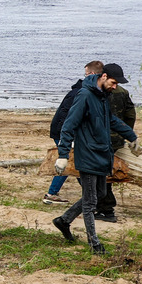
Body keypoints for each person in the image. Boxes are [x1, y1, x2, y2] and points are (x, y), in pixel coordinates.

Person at [52, 63, 138, 255]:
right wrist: (63, 156)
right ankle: (95, 244)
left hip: (102, 154)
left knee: (100, 195)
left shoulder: (103, 96)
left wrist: (131, 136)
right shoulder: (85, 96)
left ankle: (64, 220)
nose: (115, 87)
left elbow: (111, 120)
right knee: (91, 202)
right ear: (104, 76)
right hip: (88, 155)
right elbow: (68, 126)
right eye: (114, 82)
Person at [43, 61, 104, 205]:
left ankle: (90, 194)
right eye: (86, 74)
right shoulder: (80, 92)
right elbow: (66, 116)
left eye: (86, 74)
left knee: (74, 162)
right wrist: (69, 136)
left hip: (66, 131)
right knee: (71, 161)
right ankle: (53, 193)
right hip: (63, 132)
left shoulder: (89, 92)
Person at [96, 82, 136, 223]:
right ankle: (102, 206)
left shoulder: (99, 91)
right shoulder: (123, 92)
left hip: (102, 138)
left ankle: (106, 209)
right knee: (106, 172)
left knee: (101, 175)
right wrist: (126, 133)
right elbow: (130, 114)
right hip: (117, 138)